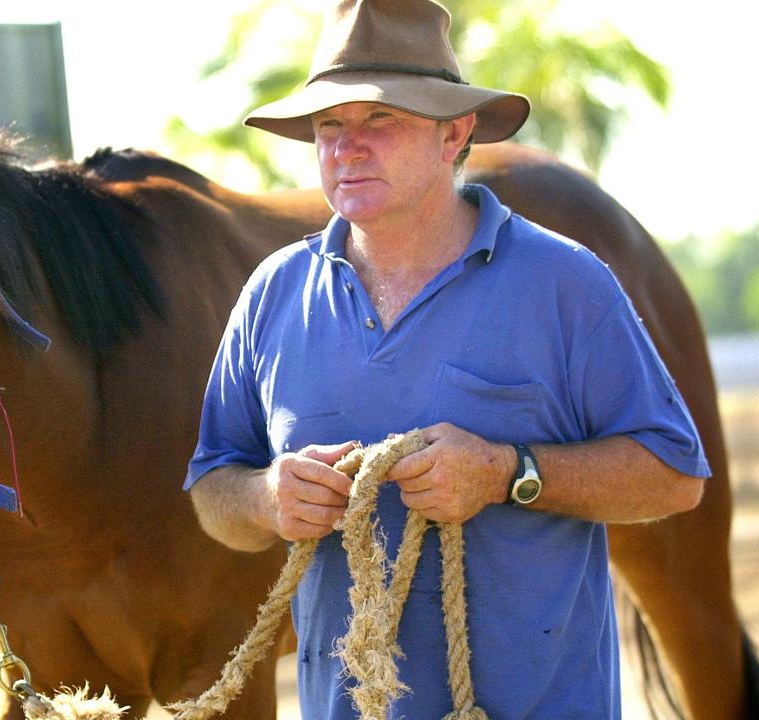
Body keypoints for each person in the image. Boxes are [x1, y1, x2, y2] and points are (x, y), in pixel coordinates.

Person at [183, 0, 710, 717]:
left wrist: (508, 472)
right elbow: (213, 490)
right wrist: (267, 498)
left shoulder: (566, 283)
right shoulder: (272, 296)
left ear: (453, 133)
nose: (346, 148)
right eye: (329, 126)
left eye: (379, 122)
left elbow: (676, 476)